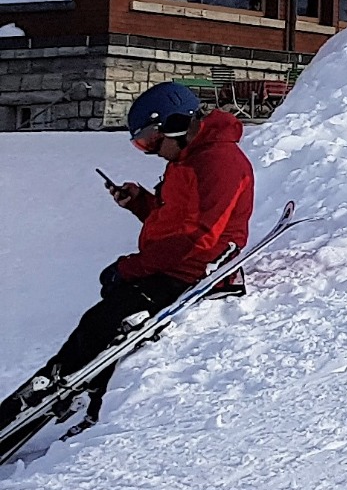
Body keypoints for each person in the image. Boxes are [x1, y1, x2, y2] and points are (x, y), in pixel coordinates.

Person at [1, 83, 256, 432]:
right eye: (142, 144)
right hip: (170, 265)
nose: (150, 151)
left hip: (190, 273)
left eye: (151, 140)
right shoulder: (189, 158)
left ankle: (67, 385)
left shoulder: (218, 163)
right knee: (103, 316)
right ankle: (69, 382)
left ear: (177, 125)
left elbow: (200, 237)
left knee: (104, 320)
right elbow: (174, 222)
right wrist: (139, 202)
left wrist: (132, 267)